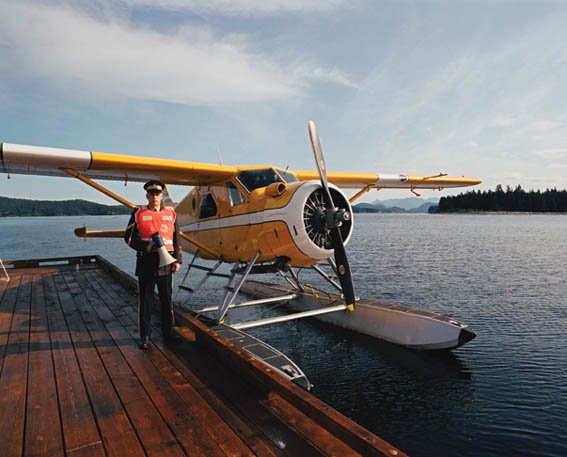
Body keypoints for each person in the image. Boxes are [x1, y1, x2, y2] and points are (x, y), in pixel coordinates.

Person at [124, 179, 183, 349]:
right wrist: (146, 245)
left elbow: (177, 238)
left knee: (167, 300)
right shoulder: (138, 213)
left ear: (162, 195)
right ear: (147, 195)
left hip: (167, 263)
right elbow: (128, 238)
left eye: (158, 193)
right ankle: (145, 336)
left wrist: (178, 260)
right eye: (151, 193)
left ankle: (168, 333)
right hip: (146, 262)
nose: (155, 196)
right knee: (146, 301)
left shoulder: (171, 213)